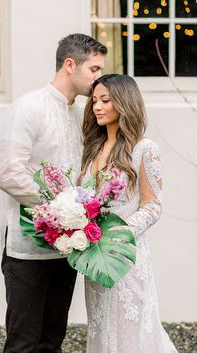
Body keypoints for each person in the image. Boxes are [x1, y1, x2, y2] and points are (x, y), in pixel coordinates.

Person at [0, 33, 107, 353]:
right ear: (70, 64)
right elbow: (9, 175)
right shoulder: (28, 107)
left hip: (67, 246)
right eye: (94, 69)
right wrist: (62, 208)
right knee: (23, 343)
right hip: (26, 246)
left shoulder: (77, 114)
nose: (99, 78)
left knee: (52, 340)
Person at [78, 74, 178, 353]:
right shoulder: (93, 148)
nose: (97, 106)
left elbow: (153, 205)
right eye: (95, 100)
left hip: (126, 256)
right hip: (94, 259)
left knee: (130, 330)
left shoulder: (144, 149)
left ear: (124, 103)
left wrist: (118, 233)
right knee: (101, 327)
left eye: (105, 100)